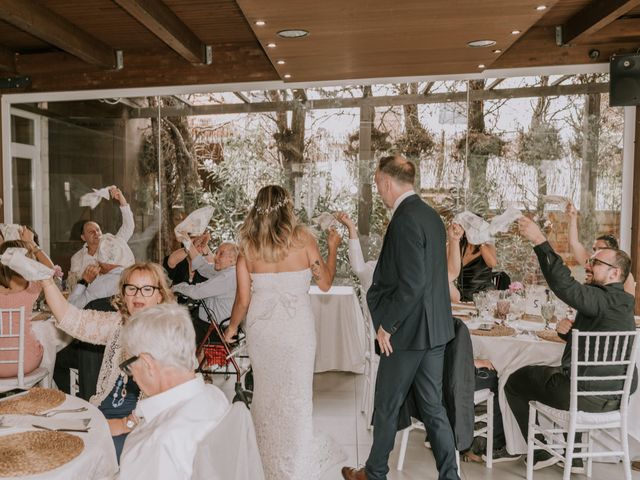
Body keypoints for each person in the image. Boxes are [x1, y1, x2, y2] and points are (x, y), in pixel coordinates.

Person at [342, 155, 458, 480]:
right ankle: (451, 476)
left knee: (387, 404)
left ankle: (374, 473)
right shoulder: (431, 216)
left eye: (378, 183)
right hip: (434, 331)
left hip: (407, 332)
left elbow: (412, 282)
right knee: (434, 409)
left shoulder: (405, 219)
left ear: (388, 182)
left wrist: (387, 325)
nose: (378, 189)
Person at [223, 185, 343, 479]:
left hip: (262, 332)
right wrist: (333, 248)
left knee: (265, 393)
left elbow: (242, 300)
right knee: (297, 395)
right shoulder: (304, 240)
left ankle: (265, 460)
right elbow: (325, 283)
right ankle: (295, 460)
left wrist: (232, 328)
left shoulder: (248, 246)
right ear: (287, 208)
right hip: (296, 331)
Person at [505, 216, 637, 471]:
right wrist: (570, 332)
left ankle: (541, 452)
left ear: (615, 273)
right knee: (570, 375)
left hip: (587, 397)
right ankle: (574, 456)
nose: (588, 265)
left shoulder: (600, 298)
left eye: (596, 262)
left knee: (514, 380)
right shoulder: (621, 303)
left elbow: (564, 285)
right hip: (616, 397)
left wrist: (539, 240)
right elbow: (597, 340)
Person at [40, 262, 175, 461]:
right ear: (124, 293)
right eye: (132, 288)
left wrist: (123, 424)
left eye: (147, 289)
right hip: (101, 413)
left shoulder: (168, 335)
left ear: (159, 296)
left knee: (83, 456)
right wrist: (45, 281)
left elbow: (168, 404)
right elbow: (72, 319)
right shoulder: (116, 324)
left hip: (140, 427)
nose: (138, 295)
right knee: (53, 441)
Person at [118, 303, 229, 480]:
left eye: (129, 367)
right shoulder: (215, 396)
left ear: (147, 364)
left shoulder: (158, 445)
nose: (131, 377)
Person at [0, 228, 54, 378]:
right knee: (46, 343)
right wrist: (32, 244)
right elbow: (50, 270)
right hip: (25, 362)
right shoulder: (30, 289)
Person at [68, 186, 134, 289]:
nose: (96, 233)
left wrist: (122, 200)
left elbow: (128, 226)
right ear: (83, 237)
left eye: (98, 230)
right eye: (91, 231)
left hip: (117, 294)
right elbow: (74, 285)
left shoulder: (113, 242)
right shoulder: (77, 258)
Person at [172, 242, 239, 343]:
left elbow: (197, 292)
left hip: (215, 328)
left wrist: (175, 288)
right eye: (216, 253)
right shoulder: (226, 271)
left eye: (221, 254)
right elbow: (203, 267)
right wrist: (187, 241)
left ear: (233, 260)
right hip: (209, 323)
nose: (215, 257)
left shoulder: (229, 276)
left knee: (177, 339)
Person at [566, 201, 636, 295]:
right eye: (594, 249)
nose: (596, 253)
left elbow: (627, 306)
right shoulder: (592, 264)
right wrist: (573, 218)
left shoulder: (626, 276)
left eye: (601, 249)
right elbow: (574, 243)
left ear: (613, 251)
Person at [68, 234, 135, 309]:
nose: (97, 261)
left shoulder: (102, 283)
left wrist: (84, 281)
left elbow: (70, 308)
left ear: (107, 261)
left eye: (99, 255)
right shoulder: (133, 278)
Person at [455, 222, 497, 302]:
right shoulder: (459, 246)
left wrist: (480, 243)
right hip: (462, 297)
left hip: (484, 298)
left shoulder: (487, 246)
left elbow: (492, 263)